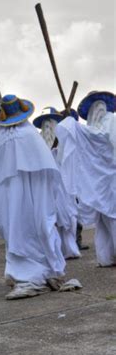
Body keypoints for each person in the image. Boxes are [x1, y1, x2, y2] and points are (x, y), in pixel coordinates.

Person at [0, 93, 68, 299]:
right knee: (24, 232)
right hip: (19, 197)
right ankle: (30, 274)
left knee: (23, 232)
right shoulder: (20, 136)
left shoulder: (13, 137)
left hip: (23, 197)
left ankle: (31, 277)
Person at [56, 91, 115, 267]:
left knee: (112, 217)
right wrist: (71, 123)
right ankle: (108, 257)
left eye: (100, 106)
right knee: (103, 220)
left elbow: (99, 138)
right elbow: (90, 136)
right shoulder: (93, 127)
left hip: (111, 181)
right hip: (101, 183)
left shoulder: (111, 121)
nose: (99, 109)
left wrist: (72, 124)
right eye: (96, 106)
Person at [32, 107, 81, 259]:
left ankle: (70, 249)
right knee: (51, 220)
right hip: (47, 187)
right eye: (45, 123)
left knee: (68, 219)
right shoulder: (37, 142)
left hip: (63, 186)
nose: (48, 126)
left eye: (51, 122)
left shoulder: (62, 138)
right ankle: (55, 251)